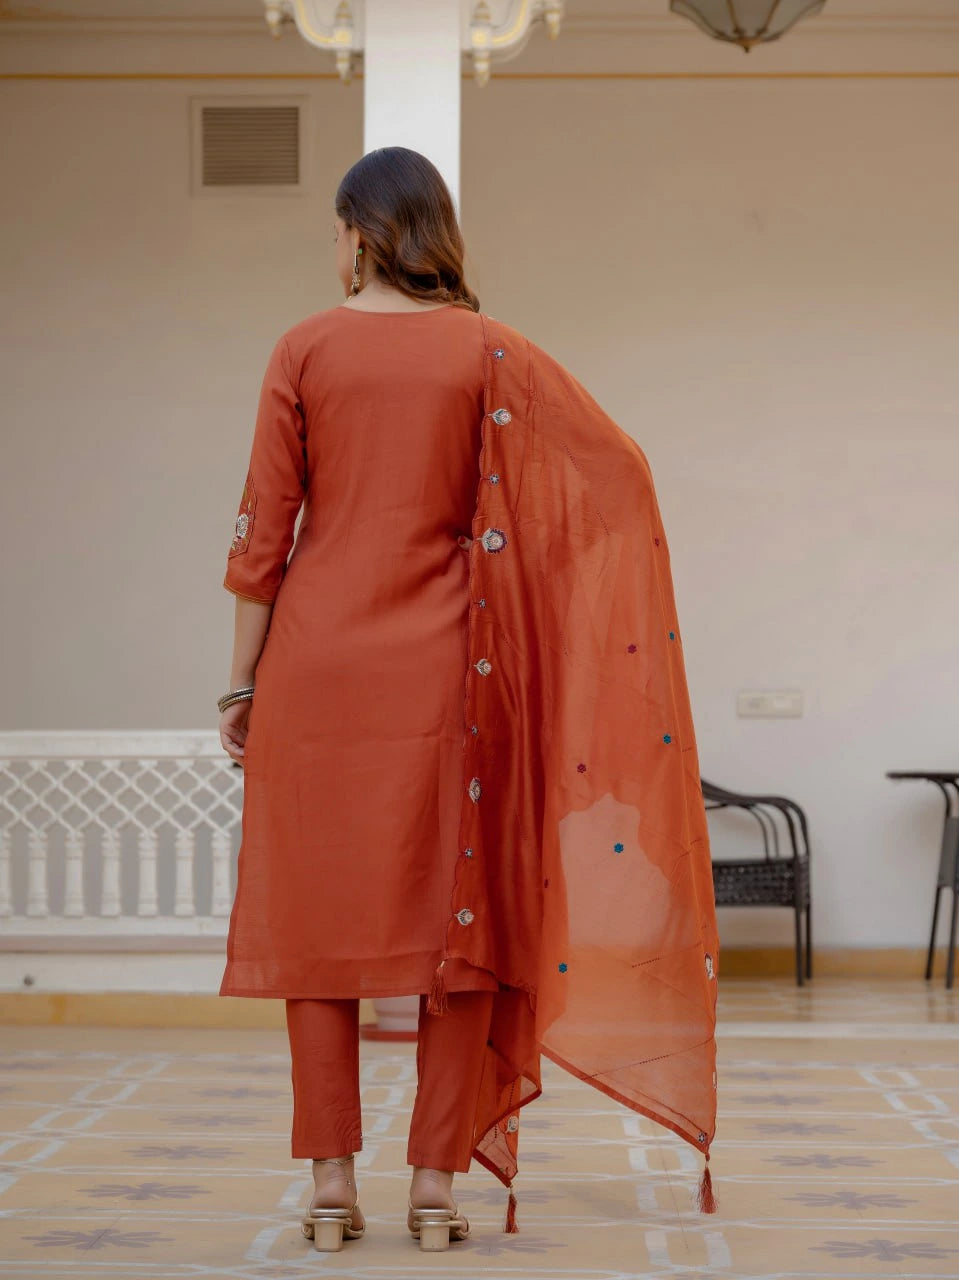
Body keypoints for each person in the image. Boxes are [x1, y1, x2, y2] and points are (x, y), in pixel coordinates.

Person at [217, 146, 719, 1254]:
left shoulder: (303, 345)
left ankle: (330, 1184)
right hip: (452, 675)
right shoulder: (493, 352)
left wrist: (243, 682)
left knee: (317, 930)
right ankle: (434, 1186)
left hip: (315, 666)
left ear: (355, 232)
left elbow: (264, 534)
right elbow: (615, 473)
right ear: (433, 233)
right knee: (463, 926)